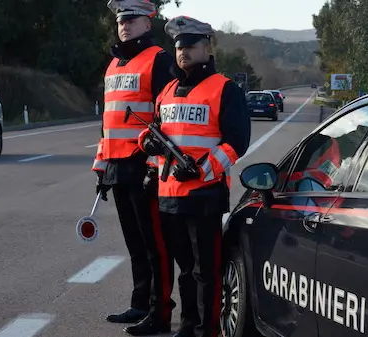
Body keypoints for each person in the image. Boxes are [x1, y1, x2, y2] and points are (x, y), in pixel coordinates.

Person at [136, 15, 251, 337]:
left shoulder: (225, 89)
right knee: (185, 270)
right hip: (169, 195)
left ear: (206, 47)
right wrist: (147, 145)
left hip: (204, 195)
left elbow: (235, 143)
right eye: (179, 47)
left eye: (190, 46)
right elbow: (156, 133)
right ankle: (187, 327)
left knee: (206, 271)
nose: (183, 52)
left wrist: (201, 170)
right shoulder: (168, 90)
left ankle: (206, 330)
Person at [92, 0, 176, 335]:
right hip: (118, 167)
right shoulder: (113, 64)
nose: (125, 25)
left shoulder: (158, 60)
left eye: (132, 19)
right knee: (134, 243)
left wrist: (155, 168)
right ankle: (140, 303)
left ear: (148, 23)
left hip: (144, 168)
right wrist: (102, 168)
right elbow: (107, 122)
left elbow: (166, 118)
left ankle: (160, 312)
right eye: (121, 20)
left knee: (155, 243)